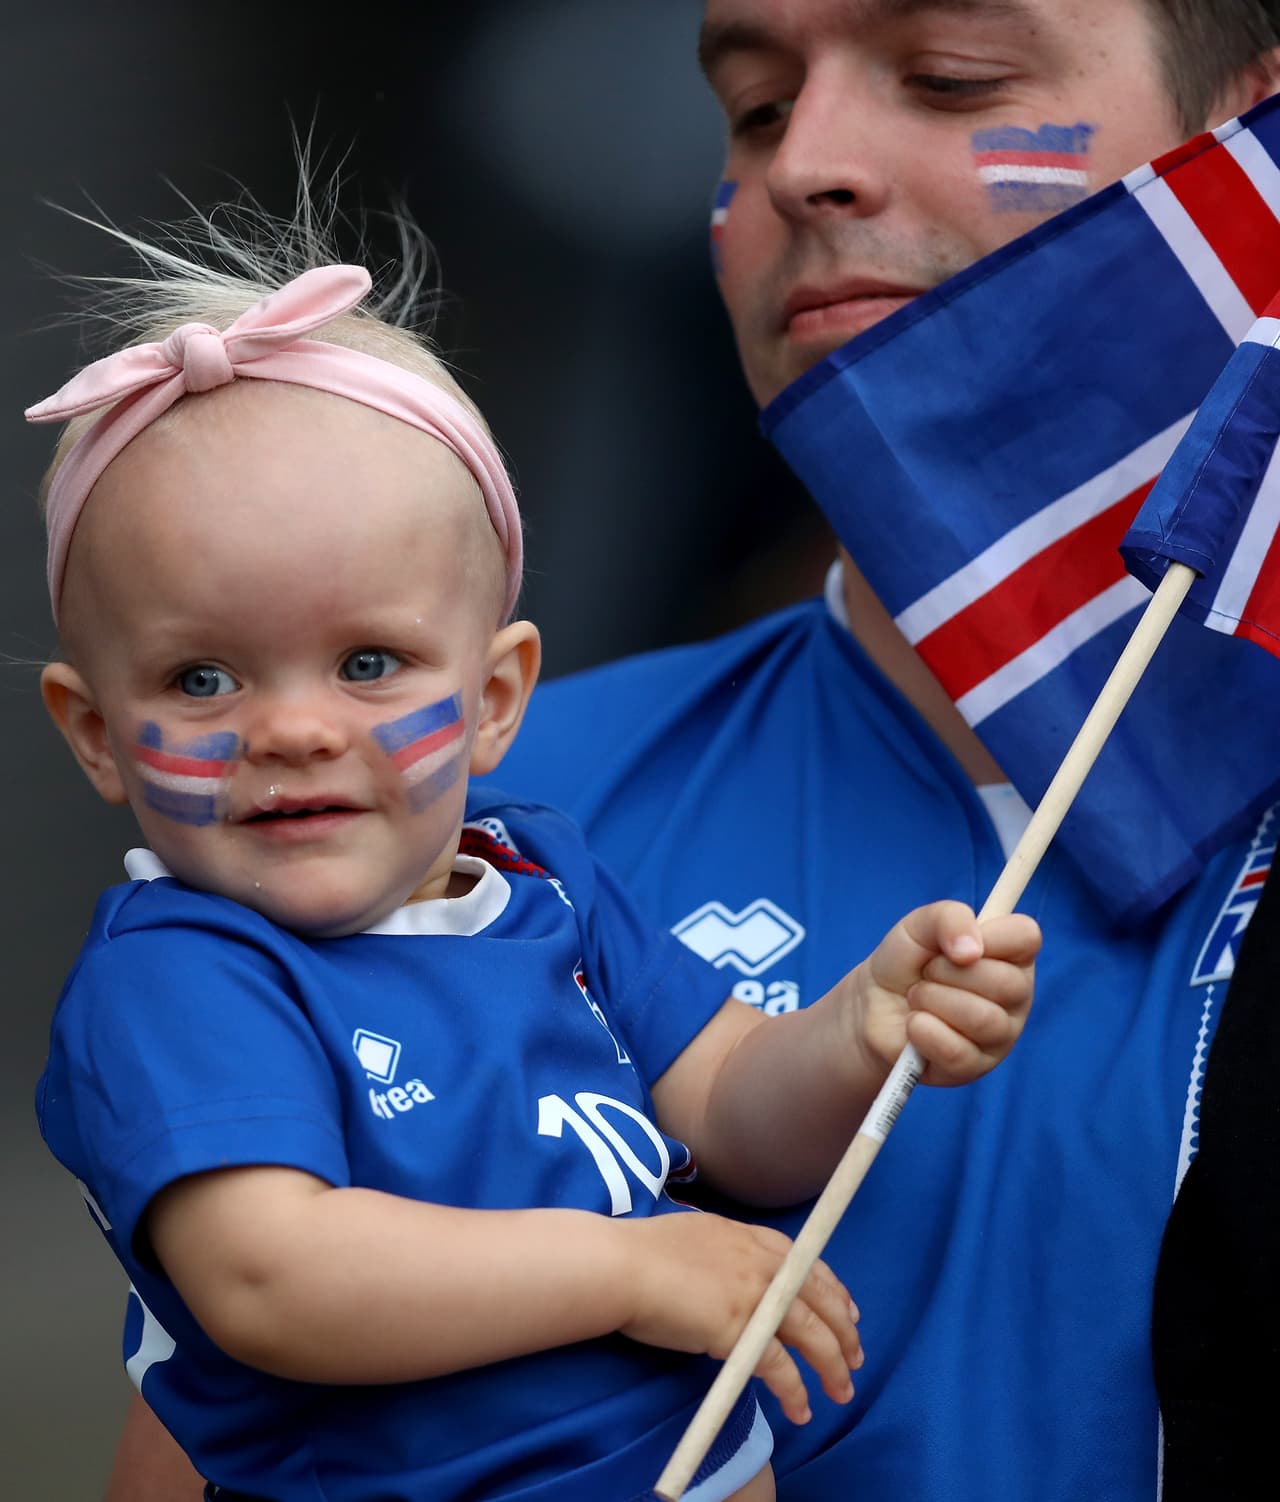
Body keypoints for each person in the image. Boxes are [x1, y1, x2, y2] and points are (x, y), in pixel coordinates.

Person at [98, 0, 1280, 1499]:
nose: (807, 166)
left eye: (948, 76)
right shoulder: (438, 828)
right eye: (755, 107)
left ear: (1254, 136)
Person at [28, 236, 1040, 1502]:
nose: (292, 729)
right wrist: (631, 1268)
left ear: (498, 692)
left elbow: (724, 1102)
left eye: (367, 663)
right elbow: (271, 1278)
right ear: (95, 733)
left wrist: (857, 1028)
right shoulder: (184, 980)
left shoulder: (541, 877)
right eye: (203, 678)